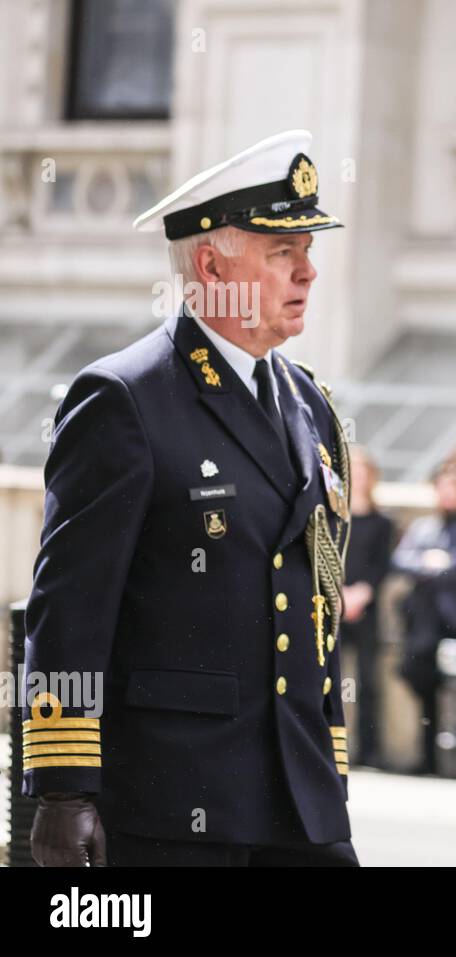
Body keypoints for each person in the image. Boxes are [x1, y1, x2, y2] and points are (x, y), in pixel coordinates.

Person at [22, 130, 357, 866]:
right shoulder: (125, 399)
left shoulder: (314, 408)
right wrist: (64, 789)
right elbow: (69, 611)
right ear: (212, 263)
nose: (308, 270)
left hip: (303, 810)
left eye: (308, 249)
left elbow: (318, 612)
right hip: (173, 810)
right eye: (283, 252)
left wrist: (329, 763)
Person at [392, 463, 456, 775]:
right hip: (421, 623)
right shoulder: (422, 528)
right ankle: (427, 758)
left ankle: (446, 759)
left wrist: (433, 567)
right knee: (418, 680)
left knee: (452, 691)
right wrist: (430, 564)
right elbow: (401, 560)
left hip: (452, 621)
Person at [340, 446, 395, 769]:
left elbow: (381, 564)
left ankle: (369, 751)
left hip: (365, 607)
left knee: (368, 681)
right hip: (336, 603)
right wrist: (341, 594)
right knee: (329, 679)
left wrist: (362, 593)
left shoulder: (381, 522)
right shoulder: (337, 517)